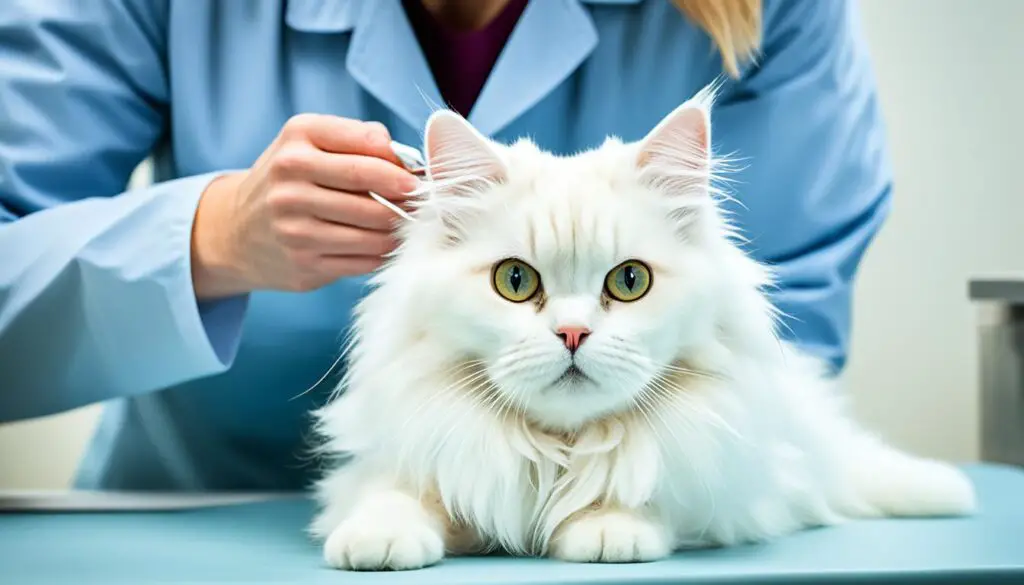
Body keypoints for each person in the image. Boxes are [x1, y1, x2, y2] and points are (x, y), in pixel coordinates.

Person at [0, 0, 892, 491]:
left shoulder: (781, 12)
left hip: (633, 526)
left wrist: (586, 499)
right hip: (197, 514)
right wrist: (211, 237)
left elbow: (776, 346)